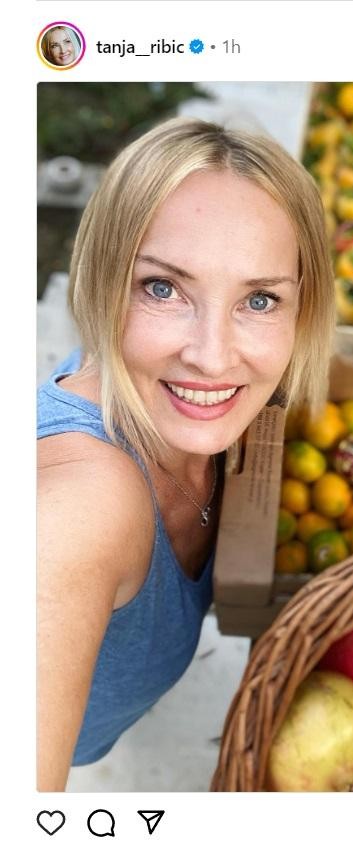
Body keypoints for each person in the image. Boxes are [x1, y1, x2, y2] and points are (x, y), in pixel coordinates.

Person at [37, 117, 335, 791]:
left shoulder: (233, 412)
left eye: (259, 299)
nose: (211, 356)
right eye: (163, 288)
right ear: (102, 280)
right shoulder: (79, 506)